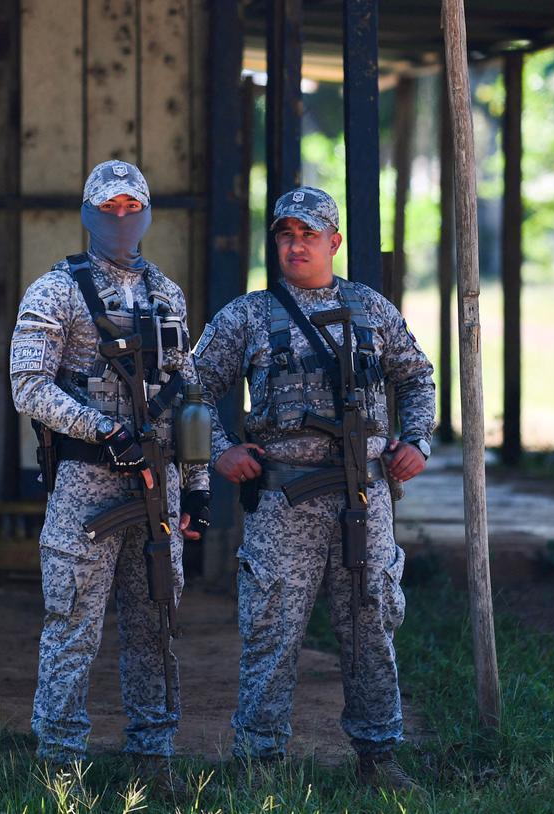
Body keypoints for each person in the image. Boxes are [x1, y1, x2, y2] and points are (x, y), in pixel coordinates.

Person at [193, 186, 436, 791]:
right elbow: (189, 389)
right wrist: (220, 451)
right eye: (284, 234)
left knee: (371, 622)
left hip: (366, 497)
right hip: (284, 500)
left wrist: (418, 440)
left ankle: (379, 757)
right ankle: (259, 762)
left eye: (308, 234)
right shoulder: (246, 315)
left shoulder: (372, 310)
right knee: (271, 627)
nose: (295, 244)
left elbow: (418, 376)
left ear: (335, 241)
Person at [9, 160, 209, 792]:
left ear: (146, 215)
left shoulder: (168, 294)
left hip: (158, 485)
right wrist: (102, 428)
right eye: (107, 209)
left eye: (131, 209)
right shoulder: (55, 291)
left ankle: (154, 755)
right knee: (73, 626)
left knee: (156, 620)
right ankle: (60, 761)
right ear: (86, 215)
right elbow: (28, 385)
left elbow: (189, 392)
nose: (120, 221)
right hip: (86, 488)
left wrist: (198, 488)